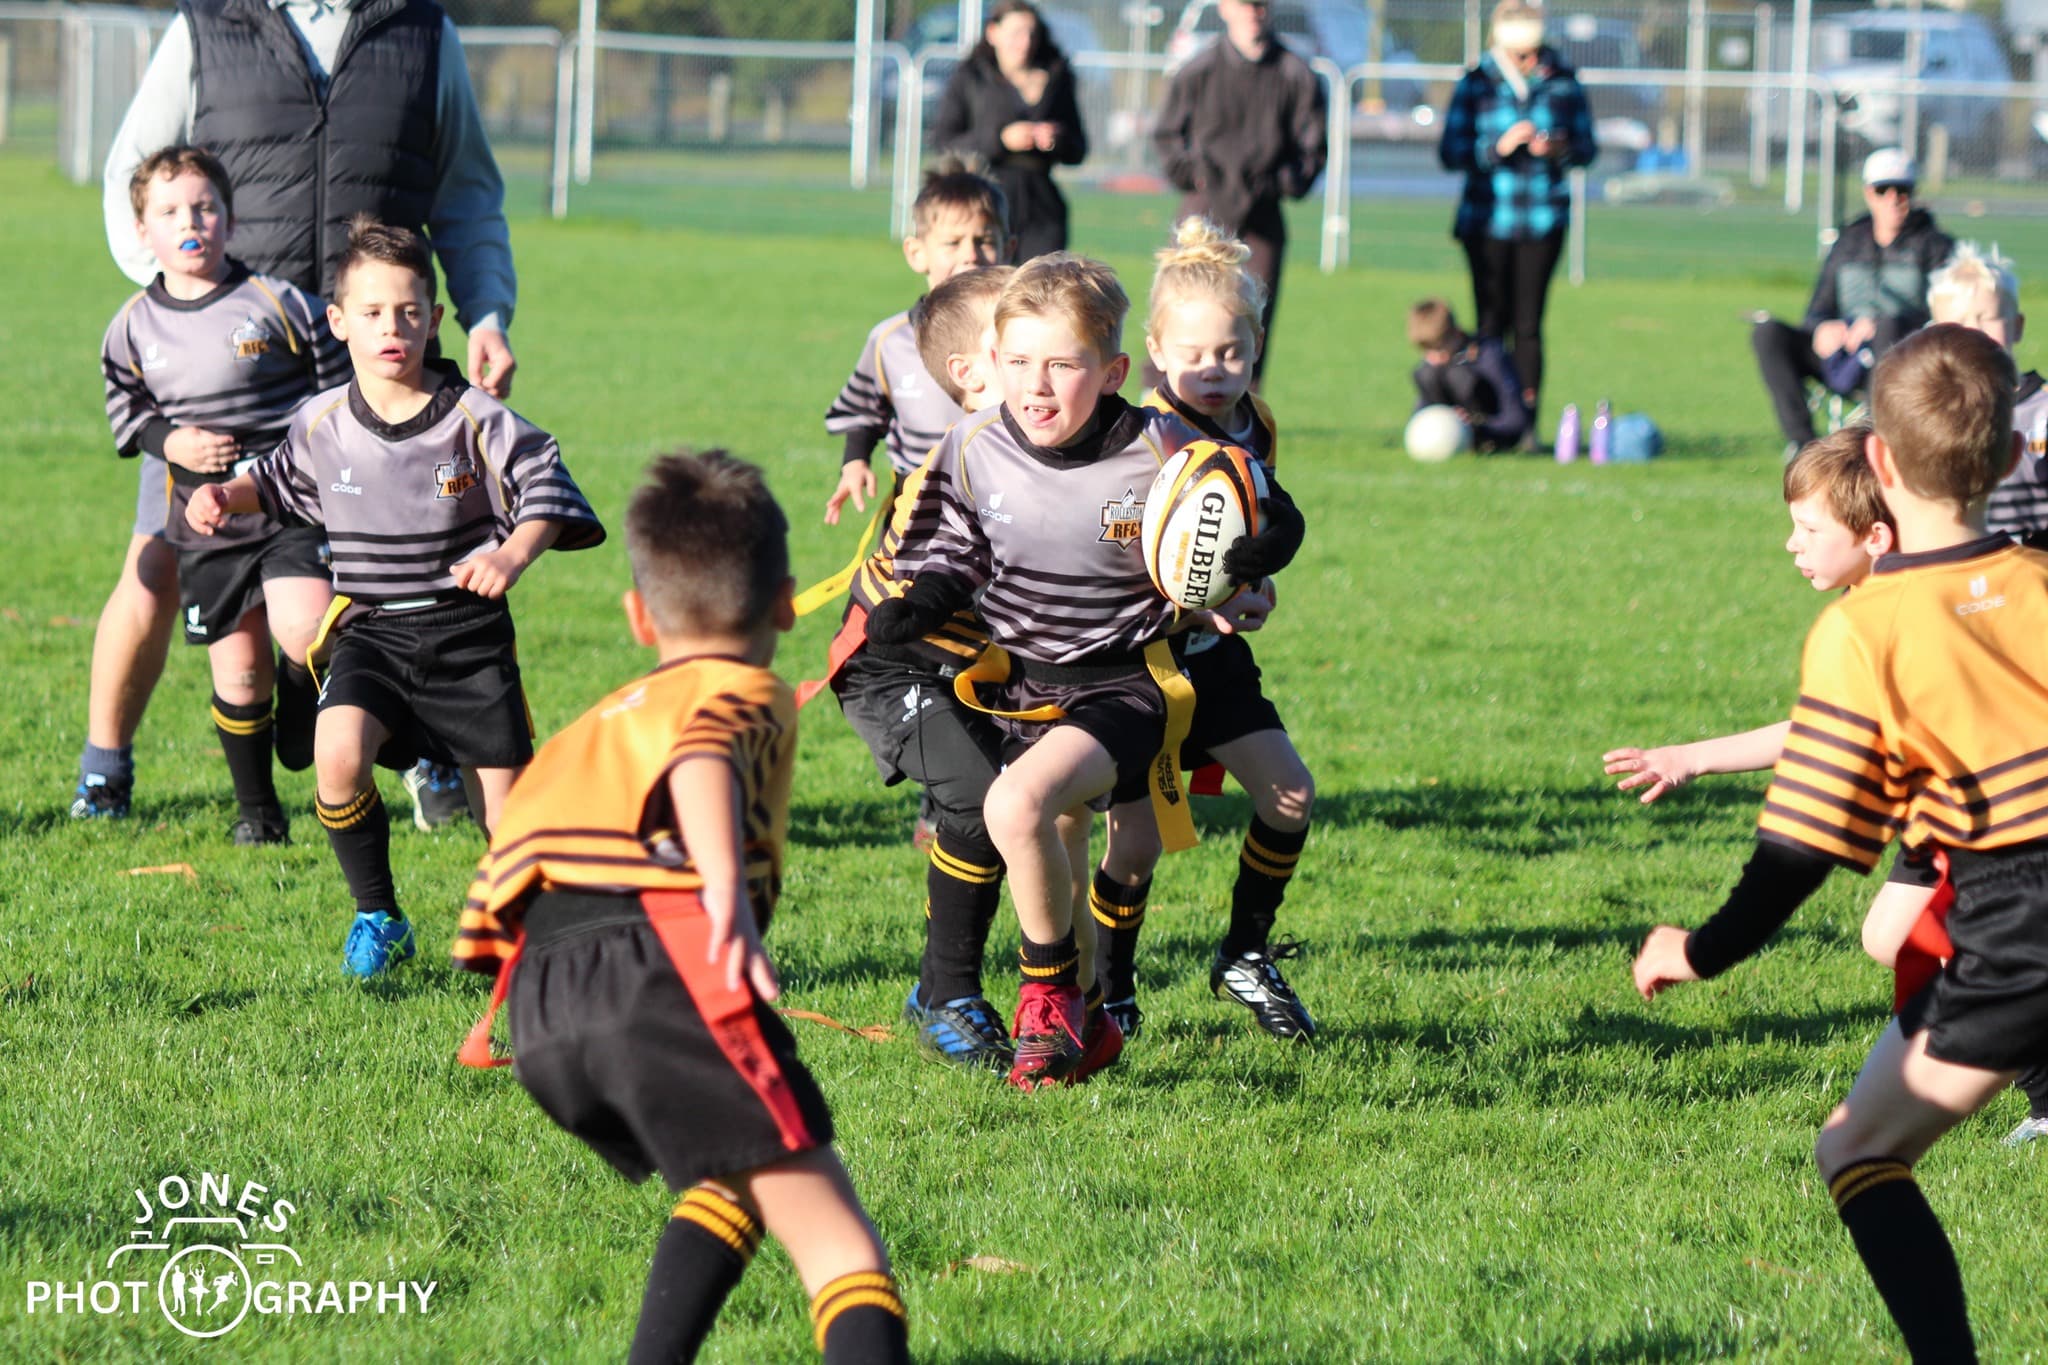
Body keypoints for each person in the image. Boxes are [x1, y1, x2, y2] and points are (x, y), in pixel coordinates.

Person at [1629, 325, 2046, 1360]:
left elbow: (1799, 849)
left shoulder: (1864, 630)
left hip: (2019, 925)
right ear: (2009, 458)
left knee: (1856, 1149)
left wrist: (1699, 950)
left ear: (1875, 461)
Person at [449, 451, 909, 1365]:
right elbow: (702, 754)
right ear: (785, 605)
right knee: (841, 1248)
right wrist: (727, 901)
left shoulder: (600, 718)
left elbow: (510, 863)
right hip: (662, 966)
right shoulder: (740, 689)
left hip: (542, 1008)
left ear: (636, 615)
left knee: (733, 1173)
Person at [82, 0, 519, 829]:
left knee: (406, 566)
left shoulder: (424, 33)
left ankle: (422, 755)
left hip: (380, 365)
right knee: (158, 564)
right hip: (222, 387)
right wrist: (188, 302)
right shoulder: (208, 26)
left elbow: (465, 195)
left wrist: (487, 312)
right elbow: (130, 172)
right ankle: (104, 767)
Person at [871, 253, 1269, 1089]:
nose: (1036, 386)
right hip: (1024, 689)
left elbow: (1263, 503)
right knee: (1046, 835)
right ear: (988, 363)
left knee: (1014, 802)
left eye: (1062, 365)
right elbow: (956, 550)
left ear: (1115, 371)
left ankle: (1046, 1000)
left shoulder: (1160, 442)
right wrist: (923, 602)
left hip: (1129, 685)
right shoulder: (974, 445)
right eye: (1017, 363)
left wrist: (1246, 566)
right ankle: (1086, 1002)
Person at [185, 220, 603, 977]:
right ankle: (378, 914)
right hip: (371, 631)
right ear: (339, 322)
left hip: (468, 639)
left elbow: (545, 483)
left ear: (435, 320)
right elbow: (276, 482)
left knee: (506, 821)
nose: (393, 328)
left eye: (410, 311)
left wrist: (512, 552)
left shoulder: (475, 416)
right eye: (373, 312)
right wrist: (225, 491)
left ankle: (542, 938)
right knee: (335, 755)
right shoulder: (322, 421)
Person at [1091, 217, 1312, 1044]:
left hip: (1217, 661)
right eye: (1194, 354)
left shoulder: (1257, 425)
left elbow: (1244, 536)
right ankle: (1113, 989)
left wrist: (1253, 587)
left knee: (1291, 796)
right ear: (1153, 351)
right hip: (1137, 665)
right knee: (1136, 846)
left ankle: (1245, 955)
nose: (1214, 370)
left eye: (1233, 353)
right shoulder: (1136, 438)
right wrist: (1193, 604)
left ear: (1256, 350)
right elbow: (1115, 565)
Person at [96, 145, 349, 840]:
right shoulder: (130, 328)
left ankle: (301, 712)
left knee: (306, 627)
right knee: (239, 671)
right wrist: (171, 442)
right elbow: (130, 412)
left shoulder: (276, 301)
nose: (192, 222)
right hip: (204, 517)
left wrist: (312, 447)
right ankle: (259, 814)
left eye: (206, 207)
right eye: (171, 211)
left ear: (230, 221)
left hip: (287, 500)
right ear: (142, 232)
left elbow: (334, 382)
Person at [816, 266, 1020, 1071]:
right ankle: (948, 994)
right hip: (891, 660)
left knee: (1020, 811)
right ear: (970, 374)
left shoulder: (1048, 448)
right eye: (1023, 351)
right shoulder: (962, 458)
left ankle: (1072, 988)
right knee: (982, 800)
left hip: (977, 665)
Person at [1438, 1, 1596, 452]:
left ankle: (1525, 425)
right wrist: (1497, 147)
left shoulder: (1563, 79)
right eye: (1519, 52)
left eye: (1531, 51)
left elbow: (1588, 148)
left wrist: (1559, 148)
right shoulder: (1476, 83)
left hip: (1542, 219)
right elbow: (1452, 152)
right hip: (1487, 220)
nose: (1527, 59)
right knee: (1490, 325)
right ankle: (1490, 420)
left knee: (1528, 325)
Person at [821, 162, 1009, 529]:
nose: (970, 254)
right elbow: (862, 409)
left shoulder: (1024, 338)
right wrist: (855, 462)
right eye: (952, 243)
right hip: (916, 514)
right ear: (916, 253)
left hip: (1000, 511)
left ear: (1009, 246)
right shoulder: (891, 341)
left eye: (984, 240)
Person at [1151, 0, 1326, 381]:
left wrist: (1278, 184)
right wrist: (1193, 176)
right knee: (1180, 309)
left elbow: (1312, 151)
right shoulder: (1199, 70)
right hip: (1202, 212)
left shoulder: (1295, 74)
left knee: (1250, 321)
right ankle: (1164, 415)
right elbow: (1166, 135)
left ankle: (1244, 421)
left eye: (1260, 4)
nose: (1253, 12)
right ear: (1225, 8)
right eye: (1243, 4)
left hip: (1262, 216)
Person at [1751, 148, 1953, 454]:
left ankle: (1875, 438)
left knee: (1887, 327)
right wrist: (1823, 328)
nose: (1893, 199)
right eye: (1883, 190)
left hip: (1902, 354)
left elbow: (1943, 314)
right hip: (1844, 354)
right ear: (1869, 194)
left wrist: (1878, 326)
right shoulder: (1847, 244)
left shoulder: (1936, 247)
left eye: (1903, 190)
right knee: (1767, 333)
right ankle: (1804, 444)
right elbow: (1818, 307)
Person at [930, 1, 1087, 263]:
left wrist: (1055, 140)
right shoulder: (971, 78)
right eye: (1016, 33)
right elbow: (944, 142)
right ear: (993, 33)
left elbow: (1078, 148)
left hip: (1041, 205)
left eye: (1031, 33)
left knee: (1039, 291)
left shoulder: (1057, 77)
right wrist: (1001, 139)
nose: (1025, 42)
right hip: (985, 200)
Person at [1924, 242, 2048, 541]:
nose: (1974, 332)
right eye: (1959, 322)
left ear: (2017, 326)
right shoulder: (1931, 412)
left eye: (1988, 318)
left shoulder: (2043, 409)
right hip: (1966, 569)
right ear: (1934, 334)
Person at [1405, 297, 1529, 453]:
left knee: (1457, 375)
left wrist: (1475, 427)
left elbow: (1517, 420)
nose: (1434, 359)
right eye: (1428, 352)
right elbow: (1419, 417)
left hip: (1491, 434)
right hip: (1449, 438)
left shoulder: (1489, 356)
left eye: (1440, 350)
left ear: (1456, 333)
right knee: (1426, 373)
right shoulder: (1432, 368)